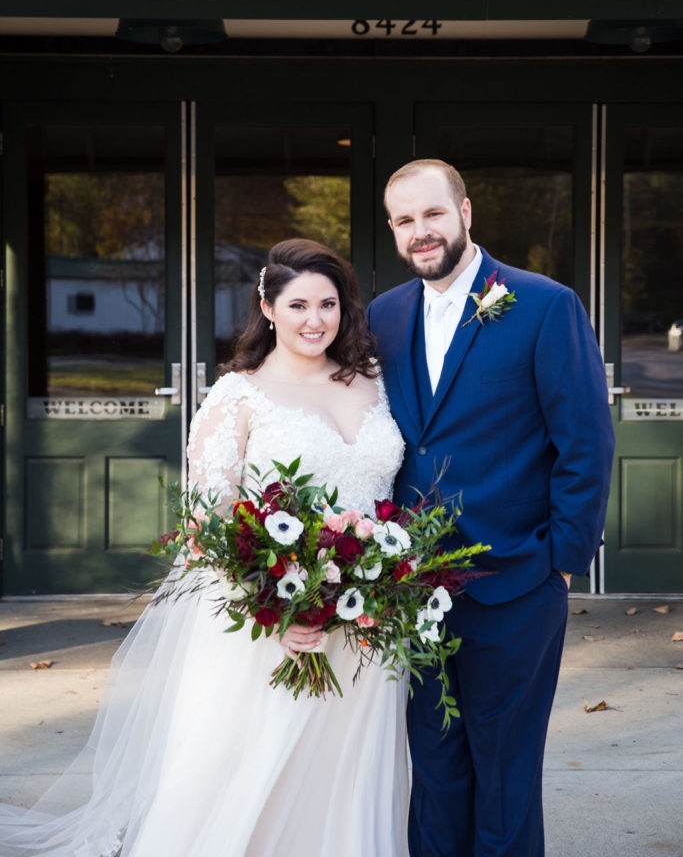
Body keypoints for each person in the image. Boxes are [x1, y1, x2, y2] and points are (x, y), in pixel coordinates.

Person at [0, 238, 409, 857]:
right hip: (270, 626)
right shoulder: (238, 396)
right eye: (298, 305)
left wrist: (384, 576)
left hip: (368, 622)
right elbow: (209, 526)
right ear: (267, 307)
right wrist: (280, 612)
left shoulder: (373, 382)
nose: (315, 320)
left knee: (348, 776)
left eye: (329, 304)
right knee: (254, 778)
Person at [367, 159, 615, 857]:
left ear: (465, 212)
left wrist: (559, 562)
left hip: (516, 579)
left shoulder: (542, 304)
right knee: (435, 765)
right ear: (392, 230)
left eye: (432, 214)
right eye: (404, 220)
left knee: (503, 769)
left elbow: (585, 444)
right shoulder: (382, 316)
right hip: (408, 587)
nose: (421, 232)